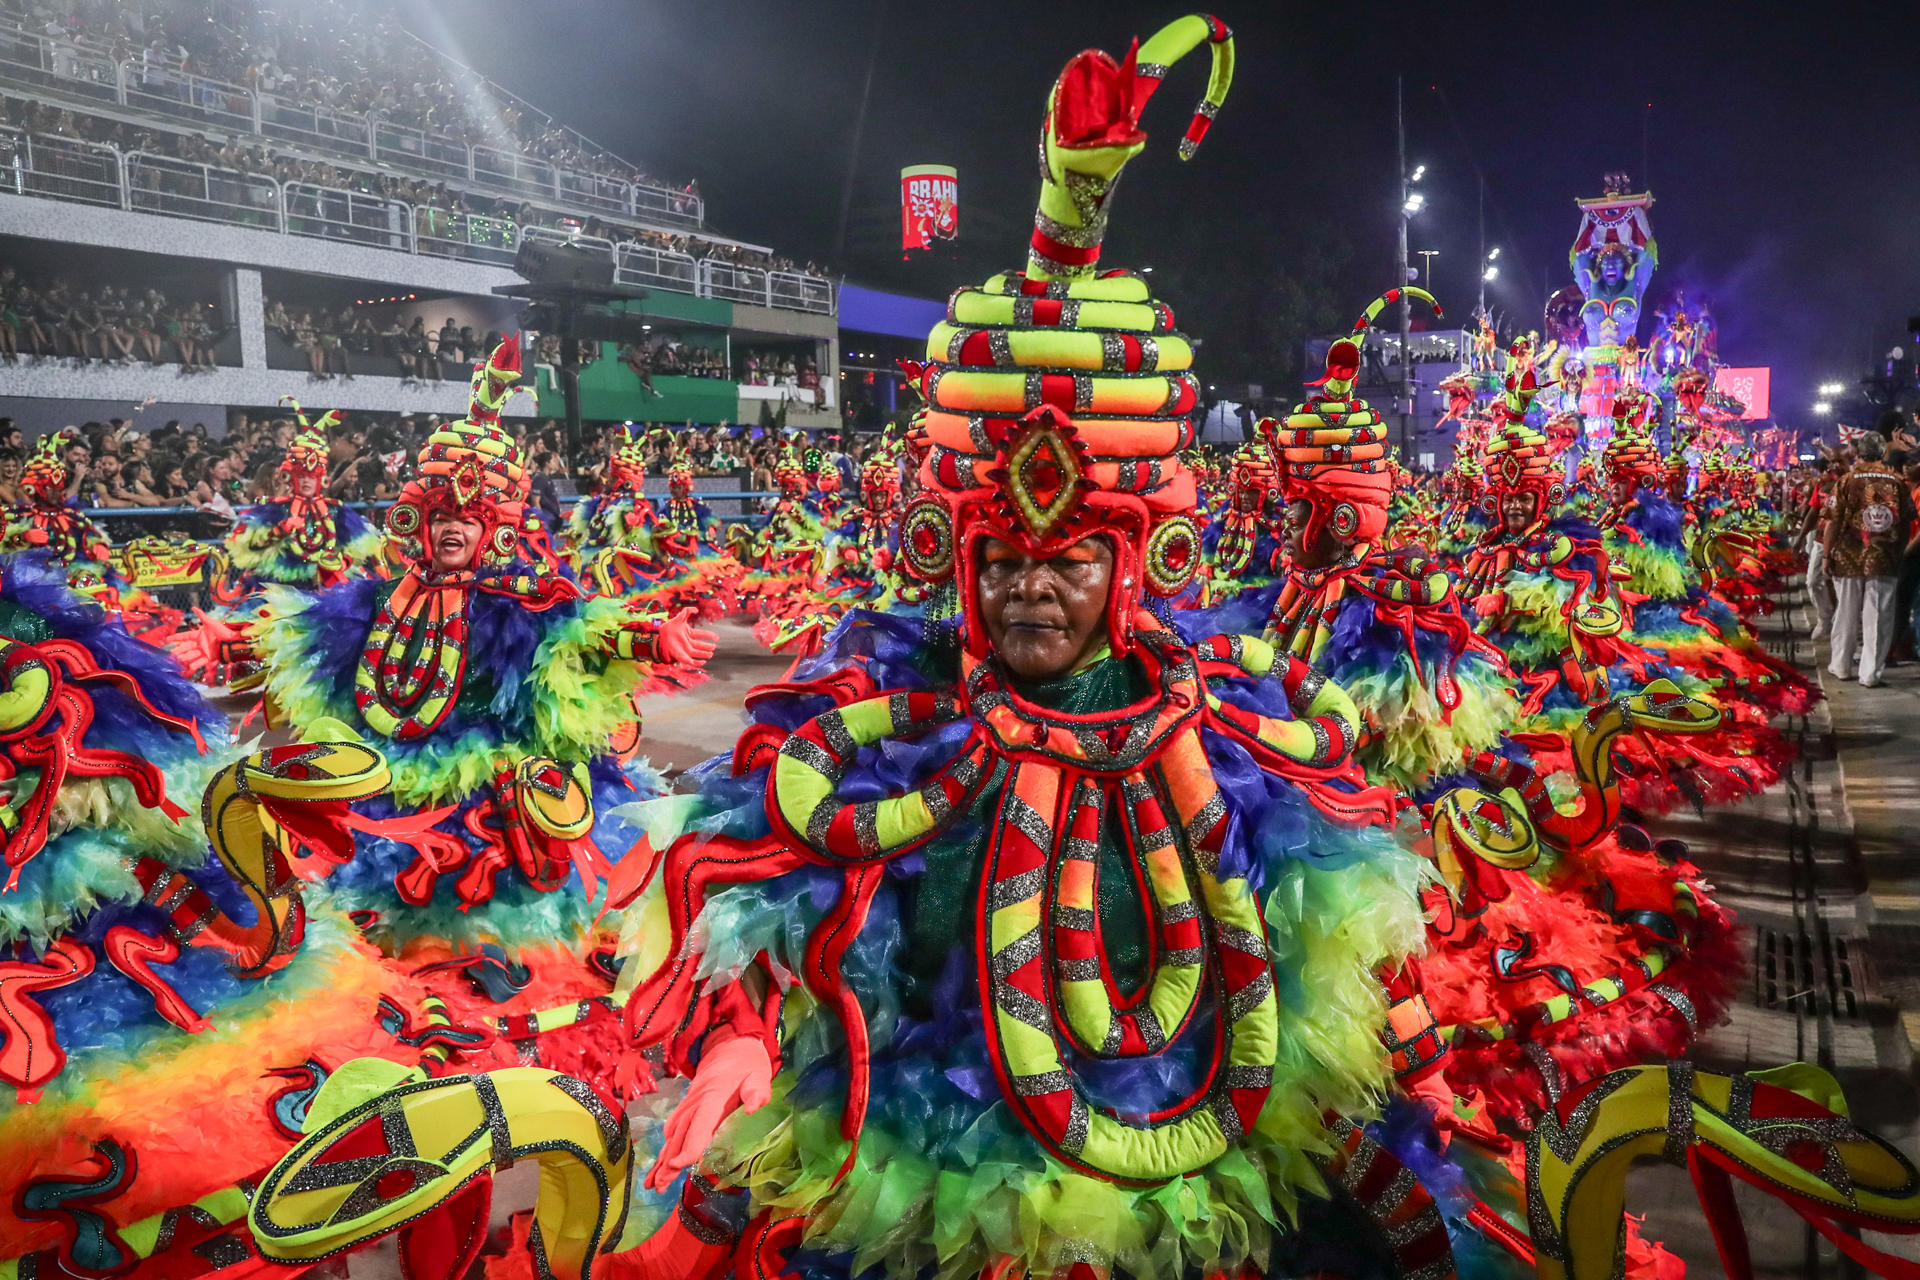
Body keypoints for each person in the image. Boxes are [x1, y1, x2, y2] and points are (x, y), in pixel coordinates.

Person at [1825, 430, 1915, 687]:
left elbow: (1832, 522)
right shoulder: (1896, 482)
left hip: (1847, 556)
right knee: (1879, 616)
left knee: (1846, 611)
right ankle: (1870, 674)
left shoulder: (1845, 481)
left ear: (1858, 453)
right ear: (1883, 453)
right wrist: (1899, 550)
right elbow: (1908, 520)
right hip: (1884, 557)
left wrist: (1827, 554)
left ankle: (1841, 665)